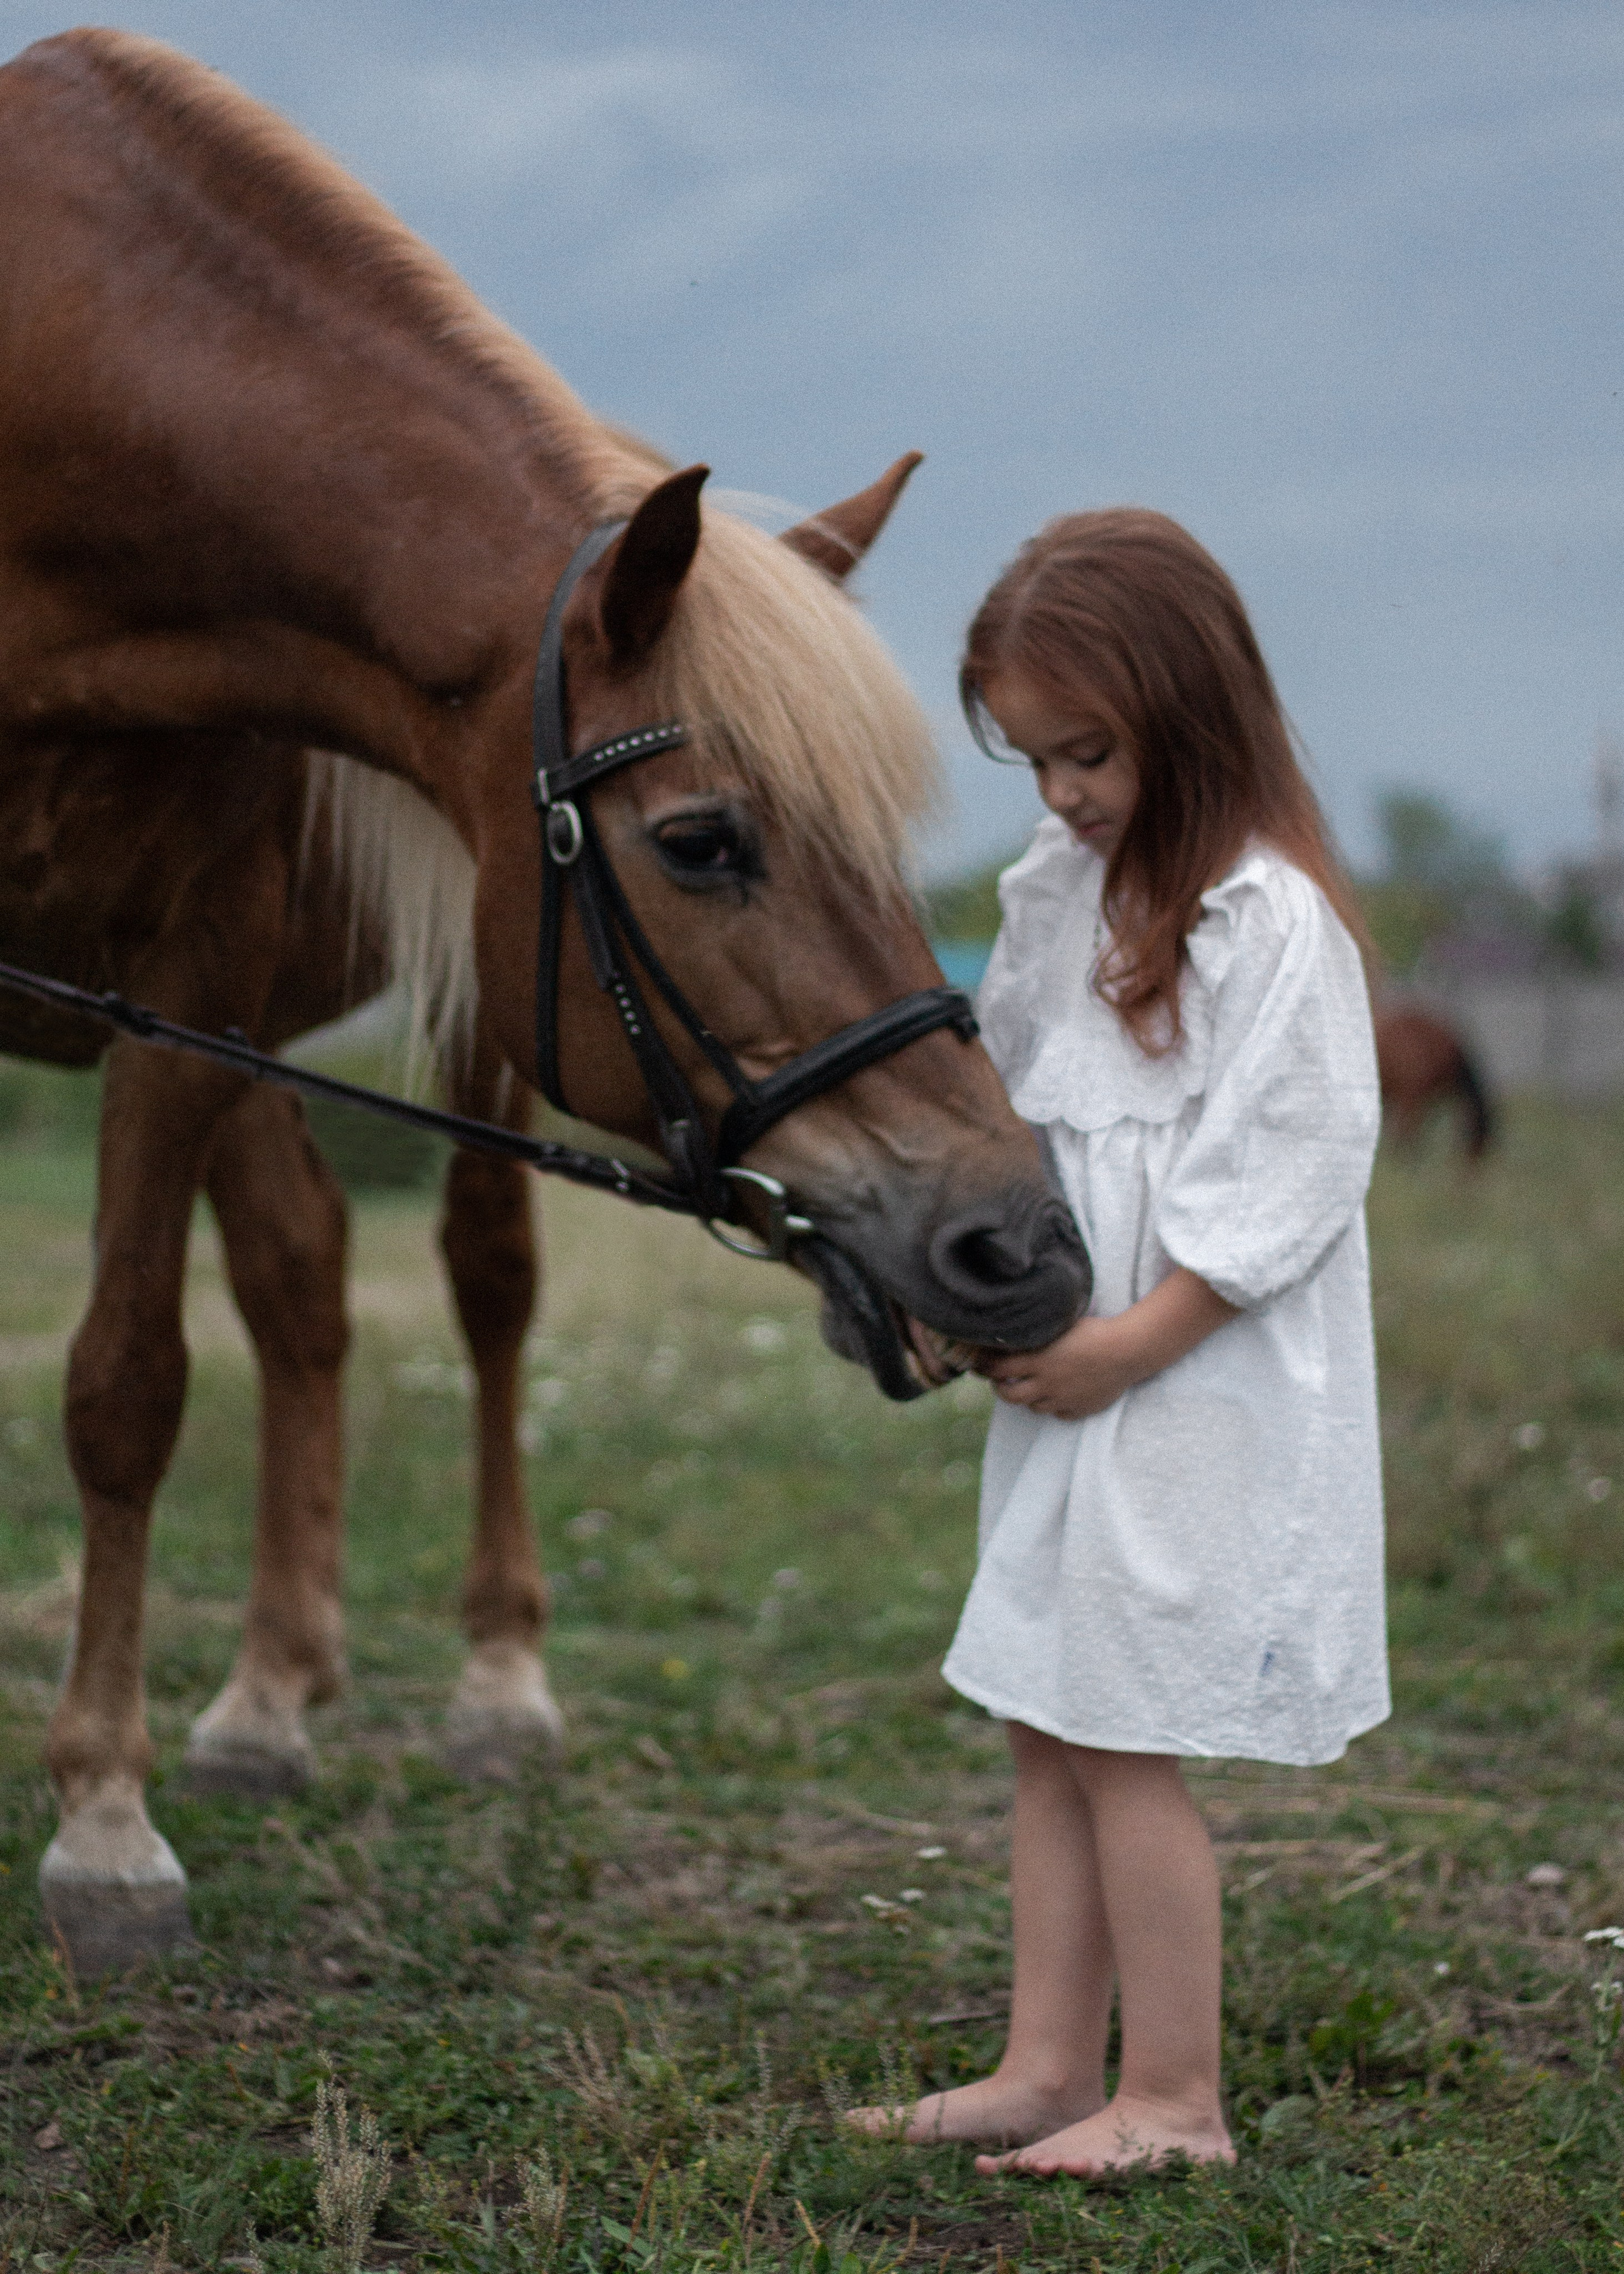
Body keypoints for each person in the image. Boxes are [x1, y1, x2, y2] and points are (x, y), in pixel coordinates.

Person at [850, 508, 1387, 2179]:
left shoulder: (1265, 923)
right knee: (1047, 1709)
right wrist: (964, 1286)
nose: (1062, 791)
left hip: (1192, 1382)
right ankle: (1043, 2065)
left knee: (1121, 1727)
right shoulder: (1058, 890)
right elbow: (1010, 1103)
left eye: (1087, 752)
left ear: (1189, 710)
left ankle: (1173, 2100)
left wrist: (1128, 1346)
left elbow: (1292, 1177)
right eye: (1033, 760)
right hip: (1078, 1370)